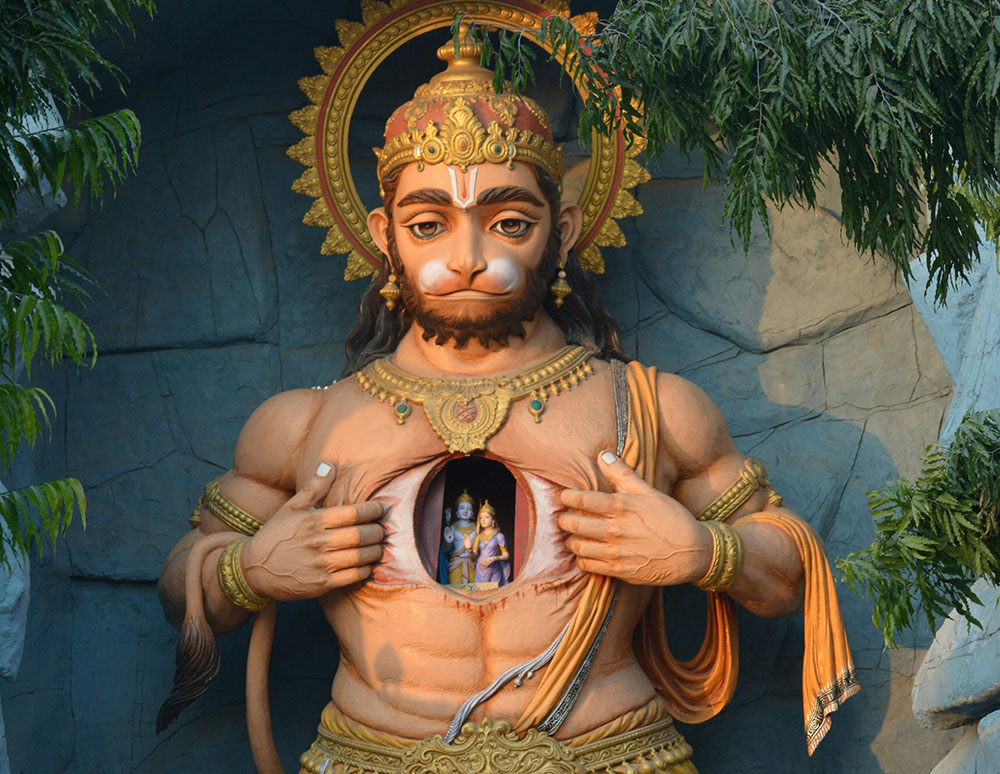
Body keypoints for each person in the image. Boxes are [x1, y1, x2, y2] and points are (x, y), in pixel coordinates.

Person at [156, 26, 857, 774]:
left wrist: (700, 550)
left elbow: (787, 574)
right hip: (374, 756)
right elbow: (183, 584)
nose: (467, 258)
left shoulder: (653, 410)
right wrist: (251, 572)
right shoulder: (304, 426)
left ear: (565, 231)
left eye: (509, 223)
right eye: (428, 226)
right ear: (382, 237)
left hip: (609, 755)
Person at [464, 501, 511, 586]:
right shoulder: (478, 537)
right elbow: (473, 557)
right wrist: (469, 549)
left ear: (493, 520)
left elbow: (506, 555)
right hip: (480, 569)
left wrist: (494, 558)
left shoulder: (499, 536)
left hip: (493, 569)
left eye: (486, 517)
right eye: (481, 518)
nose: (483, 520)